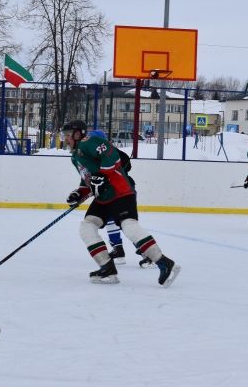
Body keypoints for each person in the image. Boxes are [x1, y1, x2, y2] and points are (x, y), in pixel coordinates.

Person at [63, 120, 180, 286]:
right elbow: (89, 182)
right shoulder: (75, 157)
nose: (65, 139)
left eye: (67, 135)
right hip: (103, 198)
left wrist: (102, 176)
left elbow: (111, 155)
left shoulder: (89, 142)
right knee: (87, 227)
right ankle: (107, 268)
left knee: (129, 226)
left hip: (120, 192)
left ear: (77, 134)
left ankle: (165, 263)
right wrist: (78, 193)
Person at [87, 129, 127, 263]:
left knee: (125, 223)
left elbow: (123, 169)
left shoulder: (113, 154)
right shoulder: (93, 158)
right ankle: (118, 249)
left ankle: (146, 253)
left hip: (121, 193)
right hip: (110, 195)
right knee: (112, 221)